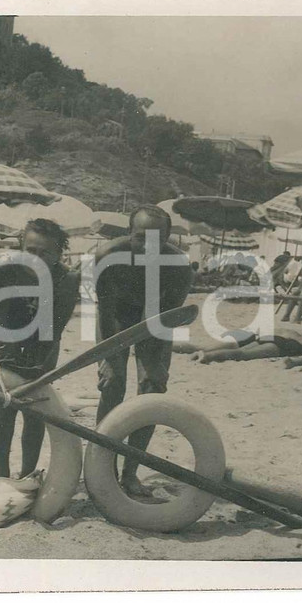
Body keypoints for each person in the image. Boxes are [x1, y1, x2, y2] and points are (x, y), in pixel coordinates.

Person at [93, 204, 193, 497]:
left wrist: (156, 364)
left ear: (167, 238)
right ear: (129, 232)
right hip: (116, 316)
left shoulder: (179, 265)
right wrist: (108, 359)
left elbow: (168, 318)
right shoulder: (107, 255)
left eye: (156, 240)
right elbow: (105, 311)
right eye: (140, 238)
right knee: (113, 383)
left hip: (155, 318)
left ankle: (130, 472)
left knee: (152, 388)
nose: (148, 246)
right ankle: (103, 466)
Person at [0, 218, 81, 480]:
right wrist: (3, 354)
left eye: (45, 253)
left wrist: (36, 367)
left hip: (43, 342)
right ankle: (1, 470)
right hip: (5, 335)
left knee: (35, 408)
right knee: (4, 405)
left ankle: (28, 471)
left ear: (59, 253)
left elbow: (54, 329)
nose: (36, 258)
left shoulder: (66, 278)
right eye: (31, 250)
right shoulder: (4, 270)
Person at [196, 328, 302, 364]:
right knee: (242, 355)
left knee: (240, 351)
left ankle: (204, 353)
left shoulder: (292, 332)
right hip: (287, 345)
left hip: (270, 337)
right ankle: (208, 356)